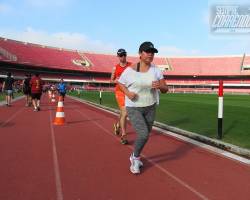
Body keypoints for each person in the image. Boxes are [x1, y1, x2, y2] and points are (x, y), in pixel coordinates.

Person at [118, 41, 168, 174]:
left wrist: (160, 86)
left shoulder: (156, 70)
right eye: (147, 52)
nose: (150, 55)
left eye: (152, 52)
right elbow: (120, 83)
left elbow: (165, 89)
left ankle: (135, 155)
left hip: (150, 106)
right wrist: (128, 93)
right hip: (134, 107)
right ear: (140, 54)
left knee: (146, 135)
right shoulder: (130, 70)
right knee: (143, 134)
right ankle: (135, 158)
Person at [110, 49, 132, 144]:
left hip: (128, 92)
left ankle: (118, 126)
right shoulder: (115, 68)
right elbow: (111, 80)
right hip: (119, 92)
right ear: (118, 57)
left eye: (124, 55)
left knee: (123, 113)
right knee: (125, 112)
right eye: (121, 55)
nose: (123, 57)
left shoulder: (131, 66)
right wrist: (116, 80)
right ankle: (124, 135)